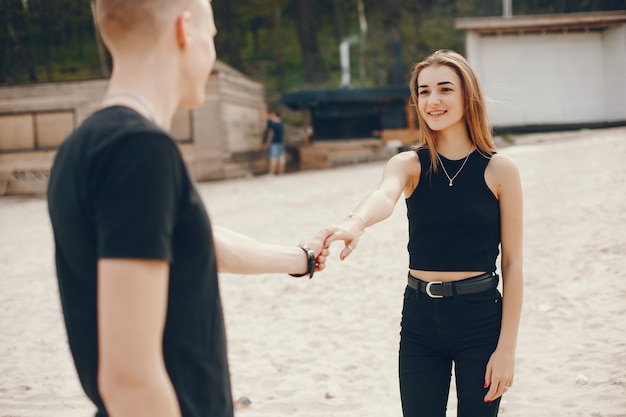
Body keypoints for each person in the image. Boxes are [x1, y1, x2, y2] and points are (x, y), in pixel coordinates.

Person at [46, 1, 332, 417]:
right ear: (184, 30)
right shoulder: (138, 150)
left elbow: (198, 244)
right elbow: (129, 378)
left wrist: (300, 257)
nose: (213, 52)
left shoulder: (82, 147)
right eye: (212, 36)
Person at [326, 49, 523, 416]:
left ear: (468, 95)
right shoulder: (409, 164)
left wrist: (506, 349)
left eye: (445, 89)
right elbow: (384, 195)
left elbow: (513, 264)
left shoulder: (500, 170)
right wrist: (355, 223)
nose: (432, 100)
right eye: (423, 91)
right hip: (419, 319)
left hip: (480, 319)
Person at [262, 109, 286, 175]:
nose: (272, 117)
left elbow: (270, 134)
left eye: (273, 115)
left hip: (274, 143)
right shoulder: (281, 124)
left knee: (273, 158)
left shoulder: (272, 124)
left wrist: (267, 143)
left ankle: (272, 172)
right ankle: (281, 171)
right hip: (281, 142)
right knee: (281, 157)